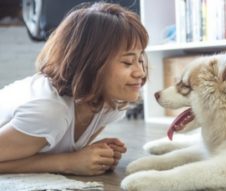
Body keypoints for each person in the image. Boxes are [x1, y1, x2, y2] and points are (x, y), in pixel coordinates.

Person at [0, 2, 148, 176]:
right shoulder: (49, 111)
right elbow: (63, 157)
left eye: (140, 59)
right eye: (127, 62)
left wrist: (95, 154)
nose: (141, 72)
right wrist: (68, 162)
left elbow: (54, 148)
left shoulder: (109, 104)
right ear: (90, 64)